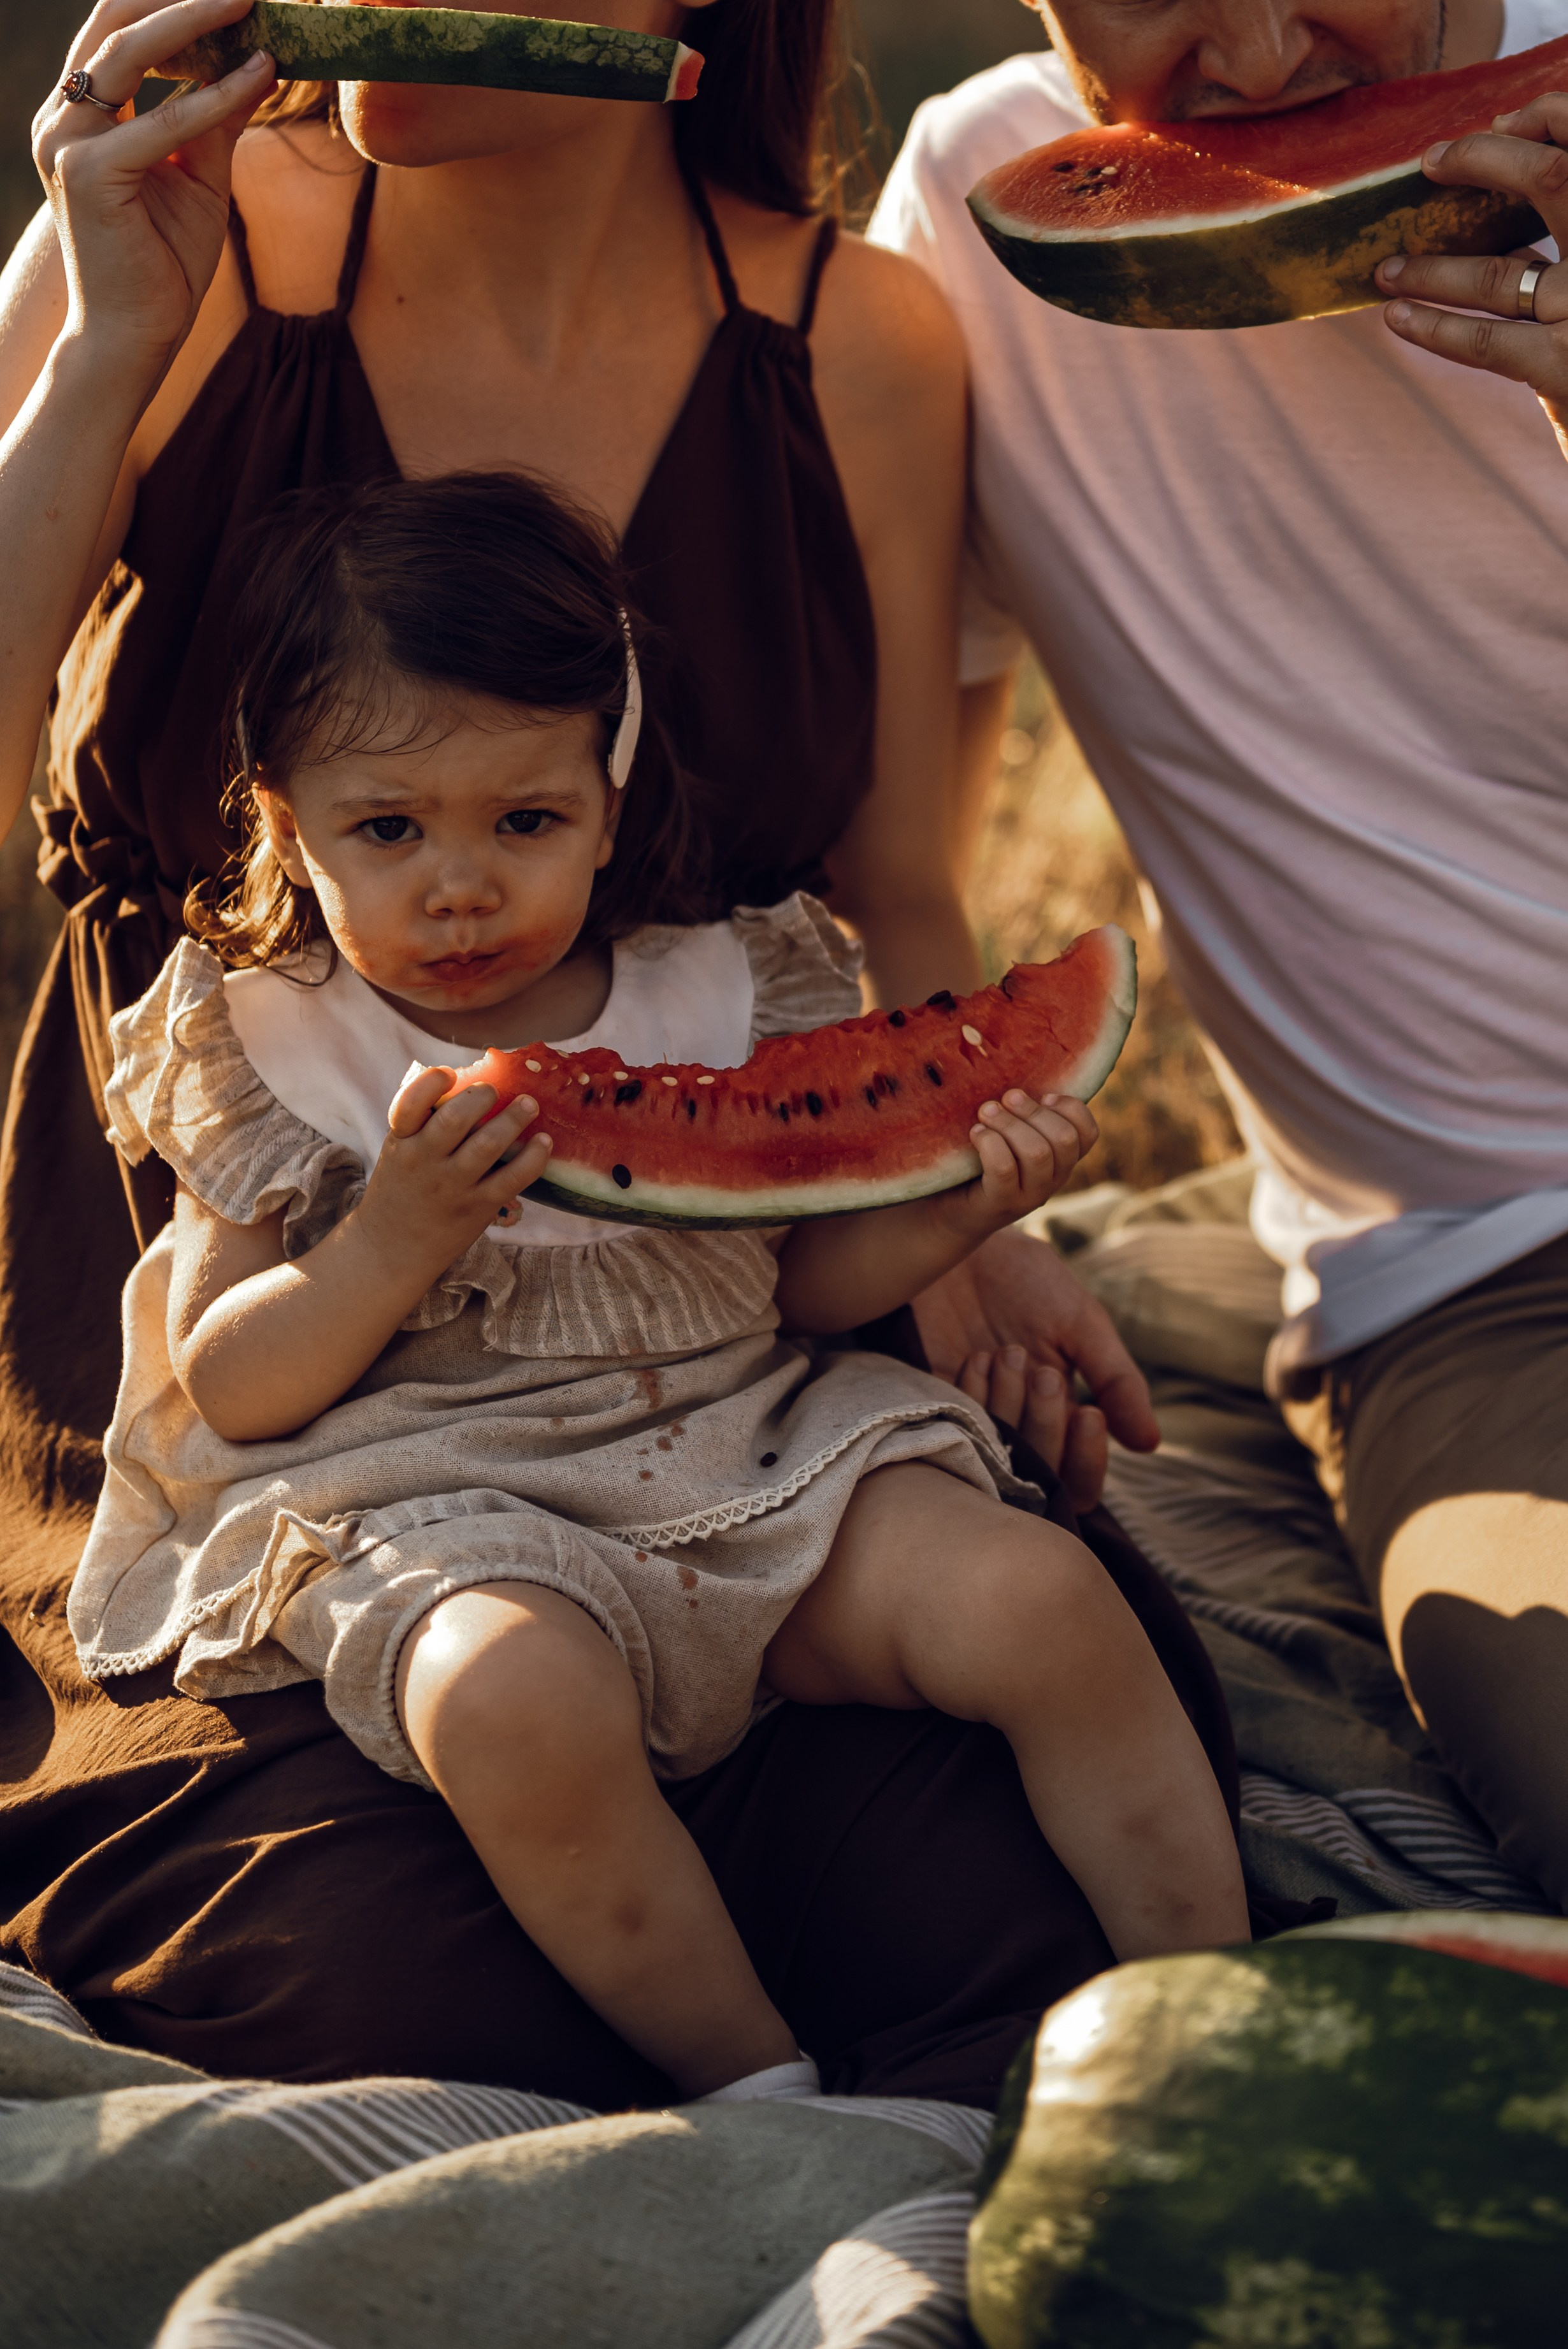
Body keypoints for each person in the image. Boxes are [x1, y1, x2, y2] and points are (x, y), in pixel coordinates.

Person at [0, 0, 1219, 2102]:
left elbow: (896, 886)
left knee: (993, 1916)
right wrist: (109, 334)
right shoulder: (182, 231)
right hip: (251, 1281)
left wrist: (969, 1213)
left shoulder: (854, 338)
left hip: (716, 1312)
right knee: (402, 2010)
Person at [871, 0, 1568, 1909]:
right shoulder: (983, 223)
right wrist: (946, 1206)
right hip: (1480, 1282)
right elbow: (893, 847)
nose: (1255, 58)